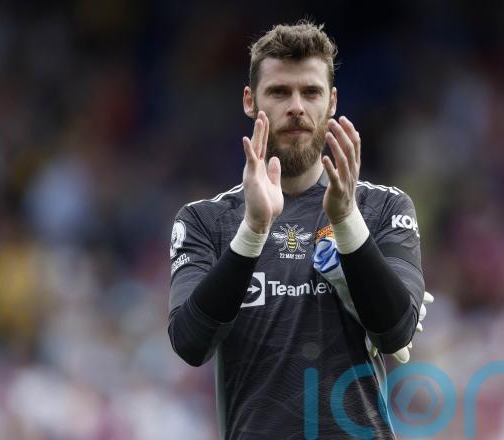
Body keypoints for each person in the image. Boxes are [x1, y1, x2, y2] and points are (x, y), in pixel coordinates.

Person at [168, 20, 427, 439]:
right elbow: (190, 343)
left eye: (311, 92)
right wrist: (253, 231)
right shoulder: (205, 221)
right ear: (250, 101)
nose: (296, 107)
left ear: (332, 101)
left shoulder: (382, 209)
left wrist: (347, 222)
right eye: (279, 92)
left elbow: (395, 331)